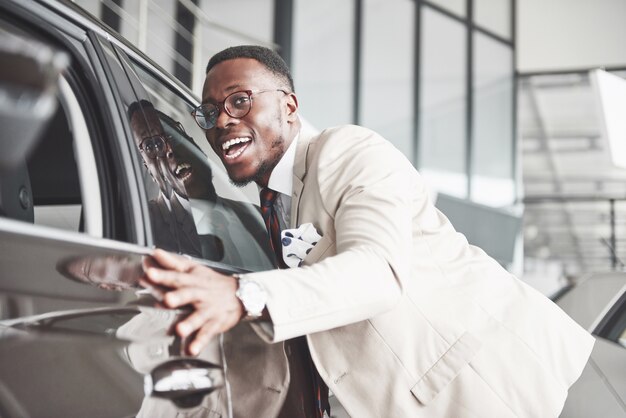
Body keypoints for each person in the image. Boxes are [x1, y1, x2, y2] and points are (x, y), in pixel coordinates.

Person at [140, 45, 595, 418]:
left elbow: (377, 271)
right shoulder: (264, 207)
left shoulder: (349, 151)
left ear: (289, 105)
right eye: (210, 112)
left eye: (240, 100)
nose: (221, 121)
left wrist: (240, 295)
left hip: (477, 390)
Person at [128, 100, 203, 257]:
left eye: (172, 136)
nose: (170, 150)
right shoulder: (144, 225)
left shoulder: (247, 215)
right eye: (152, 146)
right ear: (147, 167)